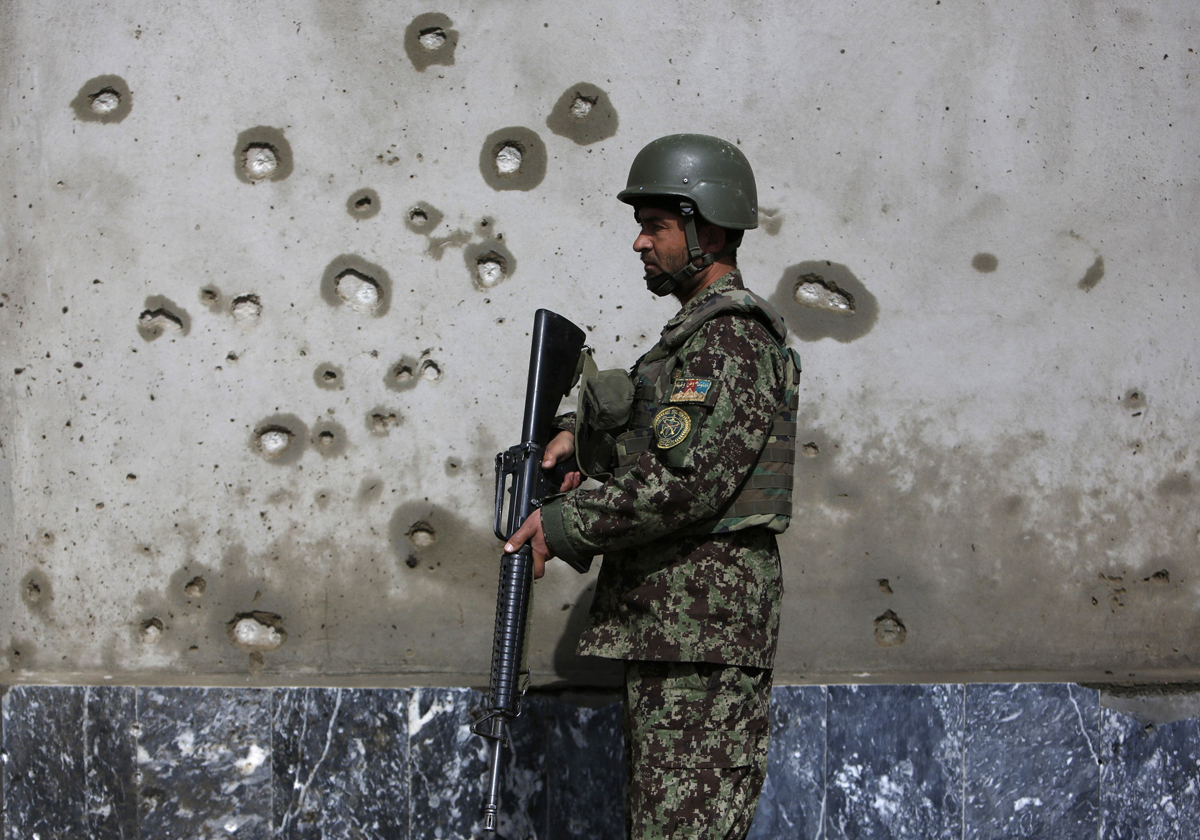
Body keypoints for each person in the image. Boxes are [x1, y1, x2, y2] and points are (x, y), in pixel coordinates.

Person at [504, 134, 801, 839]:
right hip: (679, 635)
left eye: (656, 226)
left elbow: (684, 483)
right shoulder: (692, 339)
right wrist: (582, 436)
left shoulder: (731, 339)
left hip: (701, 638)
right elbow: (665, 432)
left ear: (710, 229)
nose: (639, 243)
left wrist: (565, 522)